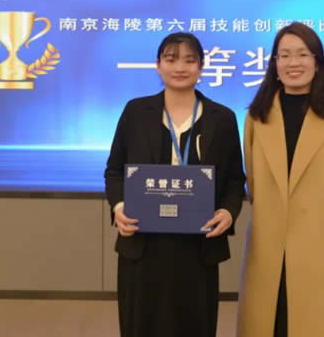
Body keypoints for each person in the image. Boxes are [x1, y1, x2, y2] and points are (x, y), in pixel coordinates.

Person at [104, 32, 246, 337]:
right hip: (142, 244)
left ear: (201, 67)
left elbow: (235, 179)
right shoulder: (135, 112)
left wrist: (228, 212)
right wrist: (118, 207)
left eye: (189, 60)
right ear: (158, 65)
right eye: (171, 59)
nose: (180, 67)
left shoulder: (222, 118)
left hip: (198, 247)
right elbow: (114, 171)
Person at [237, 22, 324, 337]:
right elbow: (253, 179)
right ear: (274, 64)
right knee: (269, 320)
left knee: (318, 322)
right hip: (268, 239)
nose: (292, 63)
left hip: (320, 239)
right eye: (284, 55)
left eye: (302, 54)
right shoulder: (258, 115)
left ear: (317, 63)